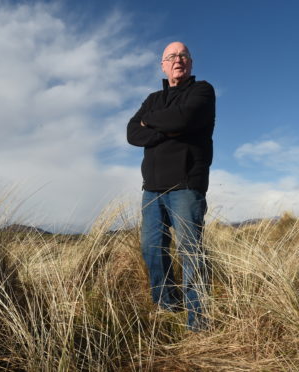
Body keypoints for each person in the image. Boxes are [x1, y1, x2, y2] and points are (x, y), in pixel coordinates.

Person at [127, 41, 215, 331]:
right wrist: (169, 128)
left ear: (190, 62)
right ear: (163, 66)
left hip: (186, 186)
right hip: (151, 188)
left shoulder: (202, 91)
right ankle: (168, 306)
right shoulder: (153, 98)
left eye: (183, 55)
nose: (178, 59)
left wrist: (150, 124)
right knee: (152, 250)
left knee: (190, 252)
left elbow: (186, 117)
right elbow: (132, 134)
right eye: (171, 56)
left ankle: (198, 322)